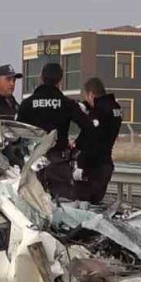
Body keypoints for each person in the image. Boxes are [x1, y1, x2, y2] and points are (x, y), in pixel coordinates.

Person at [17, 62, 93, 200]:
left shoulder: (27, 104)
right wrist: (77, 144)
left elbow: (18, 133)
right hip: (58, 163)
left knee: (33, 204)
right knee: (63, 206)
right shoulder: (67, 103)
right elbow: (89, 127)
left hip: (33, 163)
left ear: (41, 77)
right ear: (61, 80)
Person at [74, 77, 123, 203]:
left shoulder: (98, 112)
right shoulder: (115, 108)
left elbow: (90, 138)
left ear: (90, 94)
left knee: (84, 207)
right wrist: (86, 106)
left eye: (86, 97)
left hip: (92, 168)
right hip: (106, 165)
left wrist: (81, 165)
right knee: (95, 204)